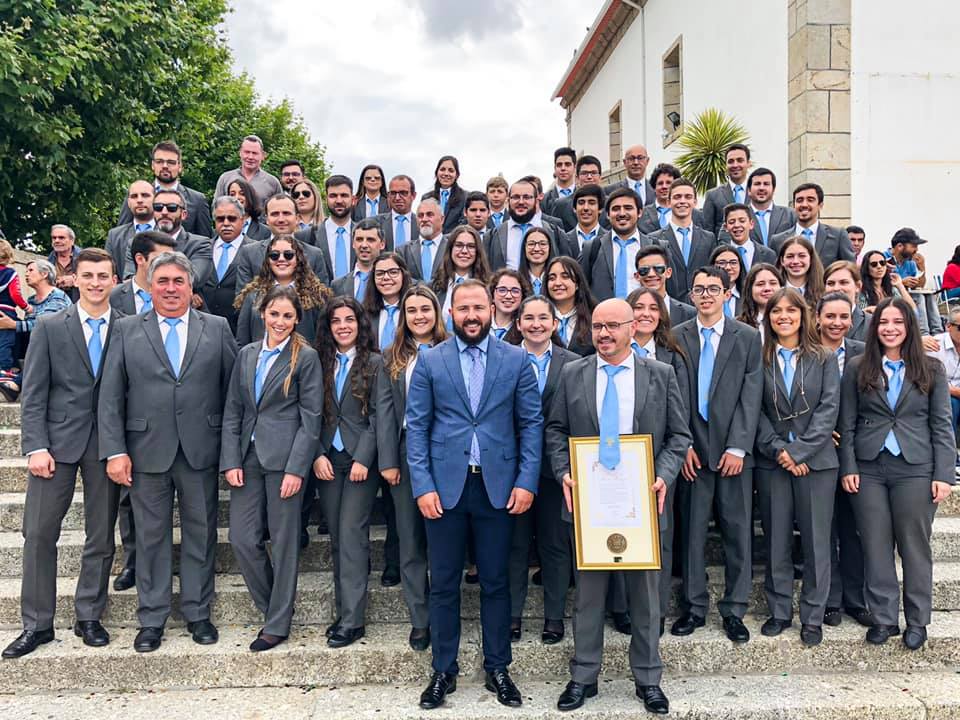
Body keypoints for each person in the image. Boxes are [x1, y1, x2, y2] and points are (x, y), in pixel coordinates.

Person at [545, 298, 689, 713]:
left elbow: (679, 436)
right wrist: (563, 471)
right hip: (589, 504)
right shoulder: (573, 373)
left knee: (646, 598)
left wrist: (662, 474)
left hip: (640, 503)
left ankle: (648, 680)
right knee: (588, 598)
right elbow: (555, 430)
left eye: (612, 326)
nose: (604, 334)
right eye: (597, 327)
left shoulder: (659, 375)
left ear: (632, 327)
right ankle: (583, 677)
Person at [406, 279, 542, 710]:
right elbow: (418, 429)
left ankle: (498, 667)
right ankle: (443, 670)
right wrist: (423, 486)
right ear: (451, 313)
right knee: (443, 583)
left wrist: (526, 481)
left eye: (478, 308)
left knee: (497, 582)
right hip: (444, 490)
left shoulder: (517, 360)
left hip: (497, 489)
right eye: (462, 308)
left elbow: (531, 425)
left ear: (492, 310)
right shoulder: (430, 361)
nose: (470, 315)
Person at [98, 251, 238, 653]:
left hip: (200, 449)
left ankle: (197, 613)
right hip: (145, 451)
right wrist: (114, 451)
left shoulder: (217, 327)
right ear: (151, 286)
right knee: (151, 536)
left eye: (179, 281)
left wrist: (229, 451)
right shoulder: (126, 329)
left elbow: (234, 396)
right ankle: (152, 618)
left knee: (201, 533)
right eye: (163, 281)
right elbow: (110, 396)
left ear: (190, 287)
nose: (171, 288)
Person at [2, 249, 120, 659]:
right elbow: (32, 393)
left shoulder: (129, 328)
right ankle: (37, 625)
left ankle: (89, 616)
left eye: (102, 276)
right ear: (76, 280)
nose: (95, 283)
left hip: (107, 446)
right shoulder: (51, 326)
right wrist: (35, 445)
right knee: (37, 534)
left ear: (114, 279)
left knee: (101, 535)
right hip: (55, 443)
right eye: (87, 275)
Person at [839, 297, 955, 650]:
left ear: (909, 326)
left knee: (913, 546)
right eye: (884, 322)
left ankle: (917, 621)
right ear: (875, 328)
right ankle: (885, 618)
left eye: (898, 322)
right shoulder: (858, 367)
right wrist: (849, 467)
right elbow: (848, 424)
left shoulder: (931, 368)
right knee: (875, 544)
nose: (890, 327)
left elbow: (941, 424)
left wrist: (944, 474)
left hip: (916, 469)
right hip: (870, 467)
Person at [221, 284, 322, 652]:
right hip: (247, 460)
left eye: (288, 316)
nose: (280, 322)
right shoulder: (246, 353)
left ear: (297, 320)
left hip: (285, 462)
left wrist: (298, 469)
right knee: (242, 539)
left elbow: (311, 418)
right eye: (275, 314)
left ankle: (277, 623)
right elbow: (234, 409)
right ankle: (274, 607)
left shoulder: (305, 357)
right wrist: (230, 459)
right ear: (262, 313)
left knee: (283, 543)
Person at [672, 266, 762, 643]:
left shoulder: (747, 337)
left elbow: (751, 393)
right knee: (692, 534)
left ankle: (734, 608)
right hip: (694, 449)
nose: (705, 295)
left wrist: (738, 446)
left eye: (713, 288)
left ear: (728, 293)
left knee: (737, 533)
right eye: (698, 289)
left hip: (733, 453)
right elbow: (674, 394)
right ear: (691, 296)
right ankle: (693, 607)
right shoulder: (678, 336)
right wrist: (685, 444)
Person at [754, 288, 840, 647]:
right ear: (768, 317)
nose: (784, 316)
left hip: (817, 463)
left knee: (817, 542)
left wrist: (801, 452)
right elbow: (752, 411)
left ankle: (813, 616)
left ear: (804, 315)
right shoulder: (758, 357)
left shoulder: (823, 357)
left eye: (791, 310)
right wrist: (780, 452)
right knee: (776, 539)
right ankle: (778, 611)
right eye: (777, 311)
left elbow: (828, 409)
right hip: (773, 462)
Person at [376, 285, 448, 651]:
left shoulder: (453, 349)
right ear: (403, 316)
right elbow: (385, 412)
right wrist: (388, 460)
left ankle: (445, 614)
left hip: (447, 456)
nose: (419, 316)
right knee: (410, 541)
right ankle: (420, 619)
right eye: (412, 310)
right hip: (405, 457)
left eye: (425, 309)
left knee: (444, 543)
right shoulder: (391, 357)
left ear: (437, 312)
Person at [507, 295, 579, 645]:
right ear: (518, 324)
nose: (536, 324)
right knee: (515, 546)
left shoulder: (574, 364)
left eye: (543, 318)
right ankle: (513, 616)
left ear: (555, 324)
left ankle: (554, 617)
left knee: (555, 545)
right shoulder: (503, 359)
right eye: (528, 318)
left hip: (557, 471)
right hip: (513, 469)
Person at [107, 231, 178, 589]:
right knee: (128, 505)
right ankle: (133, 561)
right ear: (141, 261)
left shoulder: (190, 304)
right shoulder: (116, 300)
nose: (167, 279)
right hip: (137, 426)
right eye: (160, 261)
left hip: (184, 434)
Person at [312, 297, 381, 648]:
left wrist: (364, 459)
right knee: (338, 539)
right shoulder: (317, 362)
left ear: (360, 324)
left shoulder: (375, 363)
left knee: (352, 535)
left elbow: (379, 417)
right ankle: (343, 611)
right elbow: (308, 413)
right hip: (327, 459)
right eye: (336, 320)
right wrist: (315, 454)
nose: (343, 326)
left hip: (359, 462)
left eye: (349, 320)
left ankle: (353, 620)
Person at [626, 287, 691, 630]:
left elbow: (679, 418)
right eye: (638, 307)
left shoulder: (672, 356)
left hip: (658, 464)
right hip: (618, 467)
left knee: (660, 541)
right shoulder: (607, 352)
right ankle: (622, 608)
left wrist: (667, 468)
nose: (646, 313)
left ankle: (656, 608)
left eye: (654, 308)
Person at [816, 291, 873, 628]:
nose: (837, 323)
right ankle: (830, 599)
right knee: (825, 529)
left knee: (853, 529)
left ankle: (855, 598)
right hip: (819, 451)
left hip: (854, 452)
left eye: (843, 317)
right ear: (818, 318)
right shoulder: (807, 351)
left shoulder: (863, 354)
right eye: (830, 316)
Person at [235, 234, 328, 347]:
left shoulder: (316, 297)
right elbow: (242, 342)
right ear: (268, 260)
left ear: (298, 258)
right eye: (274, 255)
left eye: (288, 255)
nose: (281, 259)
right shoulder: (252, 296)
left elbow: (324, 342)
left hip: (303, 362)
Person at [0, 259, 72, 401]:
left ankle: (16, 383)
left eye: (31, 270)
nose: (26, 274)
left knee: (30, 332)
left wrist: (13, 324)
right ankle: (11, 369)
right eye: (26, 271)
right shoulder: (32, 301)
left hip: (60, 348)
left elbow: (46, 326)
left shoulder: (57, 297)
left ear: (44, 274)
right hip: (36, 345)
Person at [125, 189, 214, 291]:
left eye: (172, 208)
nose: (164, 212)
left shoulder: (201, 245)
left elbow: (193, 279)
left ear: (184, 214)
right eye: (158, 207)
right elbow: (129, 280)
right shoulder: (135, 243)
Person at [235, 194, 330, 288]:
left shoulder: (315, 254)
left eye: (286, 213)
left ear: (297, 218)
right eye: (275, 214)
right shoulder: (249, 253)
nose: (281, 219)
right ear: (267, 219)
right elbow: (243, 298)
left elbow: (322, 298)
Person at [118, 141, 212, 237]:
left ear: (180, 166)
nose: (165, 166)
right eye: (159, 162)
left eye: (171, 162)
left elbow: (205, 241)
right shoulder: (137, 196)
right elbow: (121, 235)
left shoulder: (197, 200)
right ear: (153, 165)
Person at [653, 179, 718, 301]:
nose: (682, 201)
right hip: (669, 306)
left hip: (701, 303)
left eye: (688, 197)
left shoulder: (709, 238)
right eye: (677, 197)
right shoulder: (655, 239)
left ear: (695, 202)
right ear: (668, 202)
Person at [200, 197, 258, 332]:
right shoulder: (202, 248)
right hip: (204, 327)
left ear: (242, 220)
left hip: (239, 328)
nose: (226, 223)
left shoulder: (256, 250)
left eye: (232, 219)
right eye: (220, 219)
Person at [581, 187, 648, 301]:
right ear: (608, 214)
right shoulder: (592, 248)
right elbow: (582, 288)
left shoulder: (654, 246)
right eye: (616, 209)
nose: (622, 213)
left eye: (628, 208)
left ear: (639, 212)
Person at [484, 178, 563, 271]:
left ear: (536, 200)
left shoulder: (555, 233)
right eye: (516, 197)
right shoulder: (492, 236)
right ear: (508, 200)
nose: (521, 202)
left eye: (526, 197)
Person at [770, 183, 855, 267]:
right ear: (793, 205)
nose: (804, 204)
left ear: (820, 205)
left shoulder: (838, 236)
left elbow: (850, 269)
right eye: (799, 200)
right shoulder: (778, 241)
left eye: (810, 200)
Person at [298, 175, 356, 282]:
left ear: (353, 199)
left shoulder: (364, 234)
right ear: (326, 199)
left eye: (344, 195)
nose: (339, 200)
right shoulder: (306, 236)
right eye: (333, 196)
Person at [432, 226, 491, 328]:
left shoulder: (488, 287)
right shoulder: (434, 287)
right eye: (459, 245)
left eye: (471, 246)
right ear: (450, 249)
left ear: (478, 251)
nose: (464, 251)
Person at [633, 245, 697, 326]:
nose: (651, 274)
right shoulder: (627, 311)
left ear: (668, 272)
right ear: (637, 276)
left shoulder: (689, 314)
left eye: (658, 269)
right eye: (644, 270)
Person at [362, 251, 412, 353]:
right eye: (380, 274)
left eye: (393, 272)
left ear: (403, 274)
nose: (386, 278)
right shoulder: (364, 313)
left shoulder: (414, 310)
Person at [545, 256, 596, 356]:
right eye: (552, 278)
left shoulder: (594, 316)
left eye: (565, 276)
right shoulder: (538, 317)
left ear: (577, 283)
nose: (558, 283)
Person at [214, 135, 283, 206]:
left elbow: (280, 208)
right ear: (240, 153)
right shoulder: (225, 178)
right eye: (247, 152)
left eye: (255, 153)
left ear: (263, 156)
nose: (250, 157)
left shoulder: (272, 183)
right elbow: (216, 208)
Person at [701, 143, 752, 237]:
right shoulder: (713, 195)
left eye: (740, 160)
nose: (735, 165)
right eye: (731, 161)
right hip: (725, 250)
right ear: (726, 165)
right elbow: (707, 233)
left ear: (749, 164)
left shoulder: (756, 193)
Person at [107, 180, 156, 275]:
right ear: (128, 202)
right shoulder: (115, 236)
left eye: (145, 195)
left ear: (155, 199)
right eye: (134, 196)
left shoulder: (167, 232)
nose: (139, 200)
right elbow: (108, 271)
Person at [330, 219, 386, 301]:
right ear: (353, 243)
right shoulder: (337, 285)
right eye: (359, 239)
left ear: (382, 244)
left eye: (370, 240)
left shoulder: (390, 282)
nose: (364, 245)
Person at [927, 306, 960, 436]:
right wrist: (953, 391)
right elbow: (927, 379)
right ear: (948, 326)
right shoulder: (934, 345)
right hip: (940, 395)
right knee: (950, 402)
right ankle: (949, 452)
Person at [744, 168, 796, 247]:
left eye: (766, 184)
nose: (761, 188)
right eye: (757, 184)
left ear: (774, 189)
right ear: (749, 190)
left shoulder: (790, 215)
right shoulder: (740, 216)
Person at [553, 155, 605, 232]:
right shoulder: (561, 205)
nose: (589, 177)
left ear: (600, 177)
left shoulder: (611, 204)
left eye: (593, 173)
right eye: (584, 173)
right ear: (577, 178)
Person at [399, 198, 446, 284]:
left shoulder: (452, 247)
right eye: (420, 215)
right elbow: (401, 277)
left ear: (442, 219)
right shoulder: (403, 250)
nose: (424, 219)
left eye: (429, 215)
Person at [722, 202, 777, 272]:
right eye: (732, 222)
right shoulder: (720, 255)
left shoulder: (768, 255)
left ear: (751, 224)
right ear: (725, 227)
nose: (737, 225)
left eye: (742, 221)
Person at [0, 239, 29, 371]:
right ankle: (4, 368)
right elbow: (15, 294)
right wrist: (26, 307)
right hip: (6, 311)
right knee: (6, 341)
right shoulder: (10, 273)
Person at [823, 260, 870, 341]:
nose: (836, 288)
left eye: (843, 282)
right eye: (831, 283)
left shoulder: (871, 323)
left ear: (858, 286)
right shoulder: (812, 322)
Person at [859, 250, 916, 314]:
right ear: (867, 268)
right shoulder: (862, 291)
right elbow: (861, 316)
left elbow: (912, 309)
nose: (879, 266)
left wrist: (900, 285)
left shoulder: (891, 289)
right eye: (874, 264)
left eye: (882, 263)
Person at [776, 235, 825, 307]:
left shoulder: (824, 291)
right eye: (790, 256)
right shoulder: (774, 290)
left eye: (802, 256)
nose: (795, 261)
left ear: (811, 259)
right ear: (782, 261)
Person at [423, 156, 467, 234]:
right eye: (442, 169)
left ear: (457, 175)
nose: (446, 174)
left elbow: (463, 224)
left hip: (454, 242)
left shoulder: (465, 197)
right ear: (437, 173)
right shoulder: (426, 198)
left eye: (451, 170)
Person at [738, 263, 784, 337]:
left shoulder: (792, 321)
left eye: (773, 283)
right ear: (750, 290)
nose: (767, 288)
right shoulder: (738, 327)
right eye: (760, 284)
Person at [562, 184, 606, 258]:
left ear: (600, 209)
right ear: (574, 208)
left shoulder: (609, 239)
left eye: (591, 203)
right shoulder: (563, 240)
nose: (585, 208)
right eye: (581, 203)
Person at [377, 175, 419, 250]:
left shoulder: (421, 223)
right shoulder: (376, 223)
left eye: (403, 193)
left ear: (413, 195)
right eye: (393, 193)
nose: (397, 198)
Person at [489, 269, 529, 340]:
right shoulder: (481, 325)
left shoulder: (525, 330)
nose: (508, 296)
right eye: (502, 290)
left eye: (515, 291)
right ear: (492, 296)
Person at [710, 245, 746, 318]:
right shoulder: (701, 295)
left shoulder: (749, 296)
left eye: (733, 262)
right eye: (722, 263)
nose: (728, 267)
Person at [518, 227, 555, 296]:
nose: (537, 249)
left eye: (543, 244)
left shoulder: (556, 282)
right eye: (531, 244)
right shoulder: (516, 281)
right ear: (524, 247)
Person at [48, 224, 81, 303]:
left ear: (72, 241)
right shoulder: (48, 262)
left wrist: (75, 280)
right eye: (54, 238)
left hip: (80, 305)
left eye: (61, 238)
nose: (57, 241)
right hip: (56, 306)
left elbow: (95, 280)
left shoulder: (84, 258)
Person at [541, 147, 578, 215]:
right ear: (555, 168)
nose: (563, 168)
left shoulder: (584, 196)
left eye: (567, 164)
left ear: (575, 168)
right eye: (559, 165)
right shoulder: (545, 199)